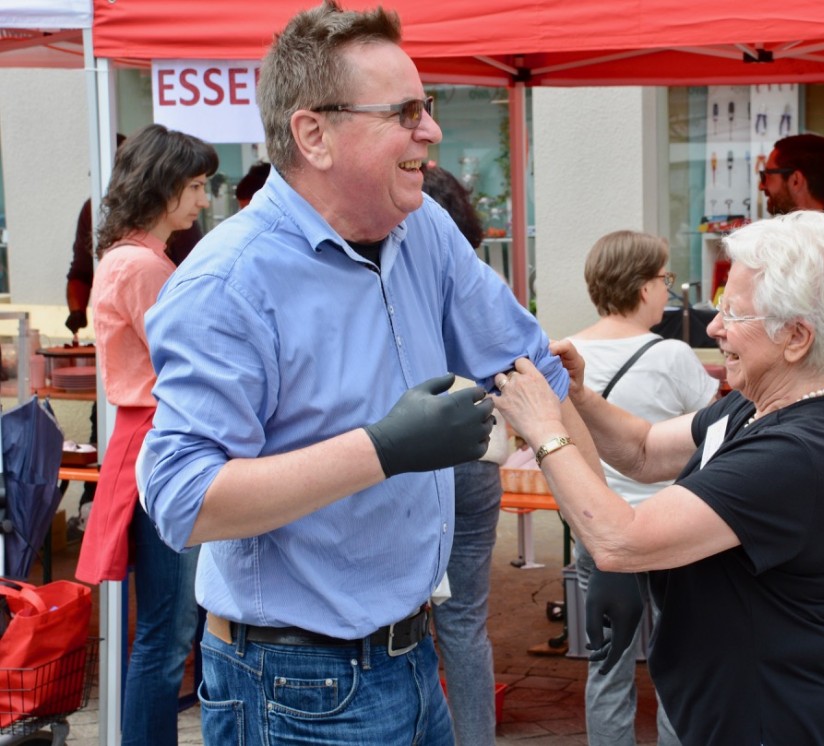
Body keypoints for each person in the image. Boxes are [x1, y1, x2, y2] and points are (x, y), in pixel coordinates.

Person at [135, 4, 594, 744]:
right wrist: (384, 448)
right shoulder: (228, 282)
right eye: (405, 112)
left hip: (414, 656)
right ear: (313, 133)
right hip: (293, 687)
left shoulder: (422, 229)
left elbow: (527, 363)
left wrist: (614, 527)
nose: (432, 131)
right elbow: (183, 502)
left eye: (429, 107)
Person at [493, 211, 824, 744]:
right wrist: (578, 396)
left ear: (795, 336)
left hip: (779, 717)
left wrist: (542, 427)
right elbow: (645, 451)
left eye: (733, 313)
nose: (715, 326)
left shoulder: (794, 454)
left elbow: (620, 541)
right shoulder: (755, 406)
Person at [73, 123, 217, 746]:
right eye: (195, 185)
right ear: (163, 187)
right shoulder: (141, 265)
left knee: (165, 628)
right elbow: (192, 361)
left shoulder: (133, 258)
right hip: (163, 443)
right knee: (167, 630)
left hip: (150, 441)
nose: (203, 199)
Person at [569, 230, 717, 746]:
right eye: (663, 279)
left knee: (607, 666)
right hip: (669, 531)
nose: (667, 290)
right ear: (640, 286)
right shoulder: (673, 356)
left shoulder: (568, 352)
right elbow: (710, 437)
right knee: (678, 665)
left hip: (600, 533)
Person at [421, 162, 506, 746]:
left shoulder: (401, 277)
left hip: (417, 458)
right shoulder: (479, 278)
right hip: (478, 455)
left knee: (398, 627)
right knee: (465, 624)